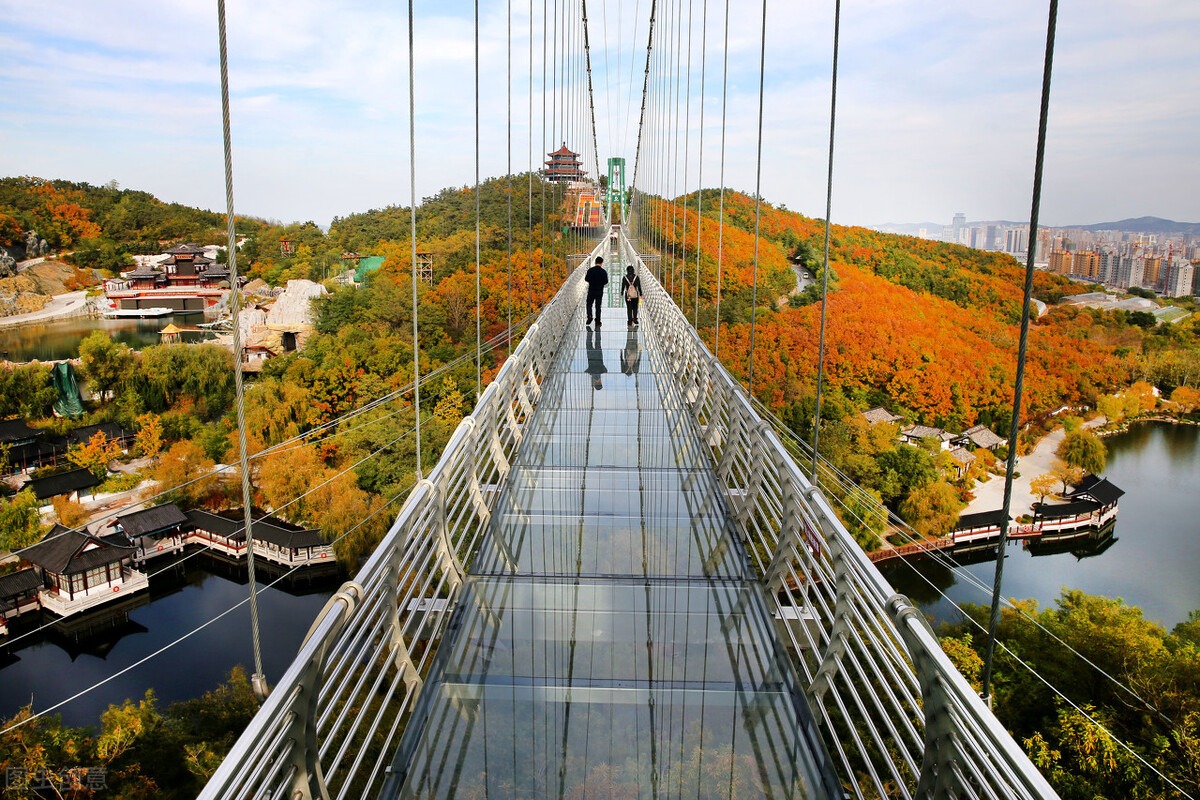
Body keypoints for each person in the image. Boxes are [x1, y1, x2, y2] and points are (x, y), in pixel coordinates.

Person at [584, 255, 608, 327]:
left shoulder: (590, 270)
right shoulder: (603, 272)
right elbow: (606, 281)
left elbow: (586, 279)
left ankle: (590, 316)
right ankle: (598, 321)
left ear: (595, 262)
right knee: (598, 306)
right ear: (601, 263)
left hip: (591, 290)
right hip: (599, 291)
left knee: (589, 304)